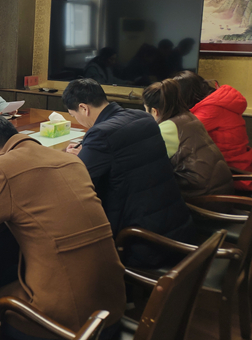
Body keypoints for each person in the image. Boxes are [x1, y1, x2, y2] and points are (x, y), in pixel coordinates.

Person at [0, 113, 125, 340]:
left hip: (70, 321)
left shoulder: (1, 168)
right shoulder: (71, 160)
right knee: (7, 273)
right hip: (111, 303)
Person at [62, 78, 194, 267]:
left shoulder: (101, 134)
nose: (77, 120)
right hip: (177, 227)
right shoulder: (142, 117)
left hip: (143, 243)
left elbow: (78, 180)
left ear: (83, 108)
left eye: (73, 115)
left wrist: (72, 159)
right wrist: (88, 153)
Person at [143, 79, 232, 198]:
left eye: (146, 110)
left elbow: (146, 161)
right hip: (221, 190)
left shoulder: (168, 128)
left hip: (203, 198)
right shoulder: (189, 117)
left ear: (154, 111)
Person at [174, 70, 252, 191]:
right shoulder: (216, 101)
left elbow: (179, 130)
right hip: (238, 164)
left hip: (231, 172)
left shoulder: (211, 109)